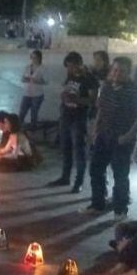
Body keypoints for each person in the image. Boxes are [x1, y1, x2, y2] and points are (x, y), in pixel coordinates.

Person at [87, 56, 137, 220]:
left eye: (121, 71)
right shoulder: (106, 86)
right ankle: (97, 204)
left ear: (128, 73)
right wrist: (95, 130)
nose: (117, 74)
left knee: (120, 174)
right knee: (96, 169)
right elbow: (100, 109)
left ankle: (120, 209)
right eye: (114, 70)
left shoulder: (134, 90)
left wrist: (129, 135)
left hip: (121, 138)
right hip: (103, 135)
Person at [51, 52, 98, 192]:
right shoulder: (70, 76)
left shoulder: (90, 79)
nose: (69, 70)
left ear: (79, 64)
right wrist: (64, 96)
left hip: (79, 117)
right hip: (66, 115)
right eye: (67, 67)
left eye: (71, 66)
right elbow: (66, 89)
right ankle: (65, 177)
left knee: (79, 150)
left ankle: (79, 182)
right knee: (65, 148)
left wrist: (75, 100)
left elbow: (92, 101)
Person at [18, 49, 47, 126]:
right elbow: (22, 78)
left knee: (34, 113)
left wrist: (36, 81)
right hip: (27, 93)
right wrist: (25, 79)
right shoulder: (27, 67)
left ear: (39, 58)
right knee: (22, 112)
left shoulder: (43, 68)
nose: (33, 59)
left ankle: (33, 129)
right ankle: (18, 127)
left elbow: (46, 81)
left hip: (37, 94)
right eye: (32, 57)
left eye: (35, 57)